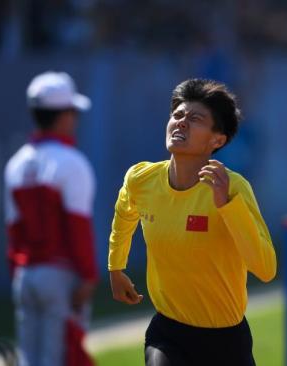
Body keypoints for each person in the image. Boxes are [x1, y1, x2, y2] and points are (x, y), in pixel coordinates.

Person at [108, 78, 277, 366]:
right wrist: (116, 267)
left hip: (227, 342)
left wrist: (226, 204)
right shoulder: (141, 179)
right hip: (168, 334)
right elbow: (124, 212)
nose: (181, 122)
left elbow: (265, 268)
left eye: (195, 118)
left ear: (217, 140)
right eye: (177, 115)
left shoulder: (233, 187)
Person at [4, 71, 98, 366]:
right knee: (60, 358)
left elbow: (13, 230)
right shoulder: (72, 162)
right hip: (61, 275)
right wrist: (89, 274)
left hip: (26, 274)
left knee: (28, 360)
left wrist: (19, 274)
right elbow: (78, 226)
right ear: (66, 115)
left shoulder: (17, 163)